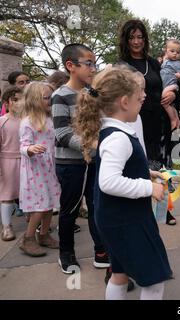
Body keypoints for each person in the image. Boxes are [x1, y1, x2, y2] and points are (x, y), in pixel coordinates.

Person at [73, 67, 172, 300]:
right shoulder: (119, 137)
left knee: (120, 273)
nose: (143, 101)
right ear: (125, 102)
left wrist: (146, 173)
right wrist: (149, 188)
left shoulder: (113, 132)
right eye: (140, 98)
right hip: (127, 221)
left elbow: (122, 168)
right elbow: (109, 182)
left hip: (116, 218)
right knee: (154, 280)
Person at [52, 43, 109, 273]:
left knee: (97, 207)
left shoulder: (92, 94)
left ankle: (101, 252)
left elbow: (102, 122)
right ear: (71, 66)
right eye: (88, 63)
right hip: (70, 165)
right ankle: (66, 253)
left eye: (95, 64)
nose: (93, 69)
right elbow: (62, 134)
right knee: (70, 209)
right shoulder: (60, 96)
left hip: (94, 162)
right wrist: (92, 145)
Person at [118, 20, 178, 225]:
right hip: (133, 122)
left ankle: (163, 210)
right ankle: (140, 210)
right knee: (138, 167)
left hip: (158, 122)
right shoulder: (121, 65)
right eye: (132, 37)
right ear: (126, 40)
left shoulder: (154, 63)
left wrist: (171, 97)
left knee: (161, 168)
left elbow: (167, 85)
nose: (136, 41)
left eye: (140, 37)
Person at [19, 82, 61, 257]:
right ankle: (28, 238)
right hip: (35, 169)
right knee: (39, 205)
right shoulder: (28, 121)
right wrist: (30, 149)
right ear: (35, 99)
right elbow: (23, 145)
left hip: (50, 167)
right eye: (46, 98)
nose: (50, 101)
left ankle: (44, 234)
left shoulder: (50, 119)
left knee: (49, 203)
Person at [0, 86, 23, 241]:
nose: (19, 102)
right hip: (7, 162)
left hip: (26, 160)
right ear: (6, 103)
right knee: (7, 195)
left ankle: (33, 222)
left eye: (22, 99)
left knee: (27, 193)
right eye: (15, 100)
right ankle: (7, 226)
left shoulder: (28, 120)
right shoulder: (2, 121)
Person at [160, 39, 180, 131]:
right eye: (172, 51)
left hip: (171, 85)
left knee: (164, 101)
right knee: (170, 104)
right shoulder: (165, 61)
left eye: (178, 52)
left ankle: (173, 120)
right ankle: (177, 119)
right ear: (166, 51)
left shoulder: (178, 63)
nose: (175, 54)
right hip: (165, 86)